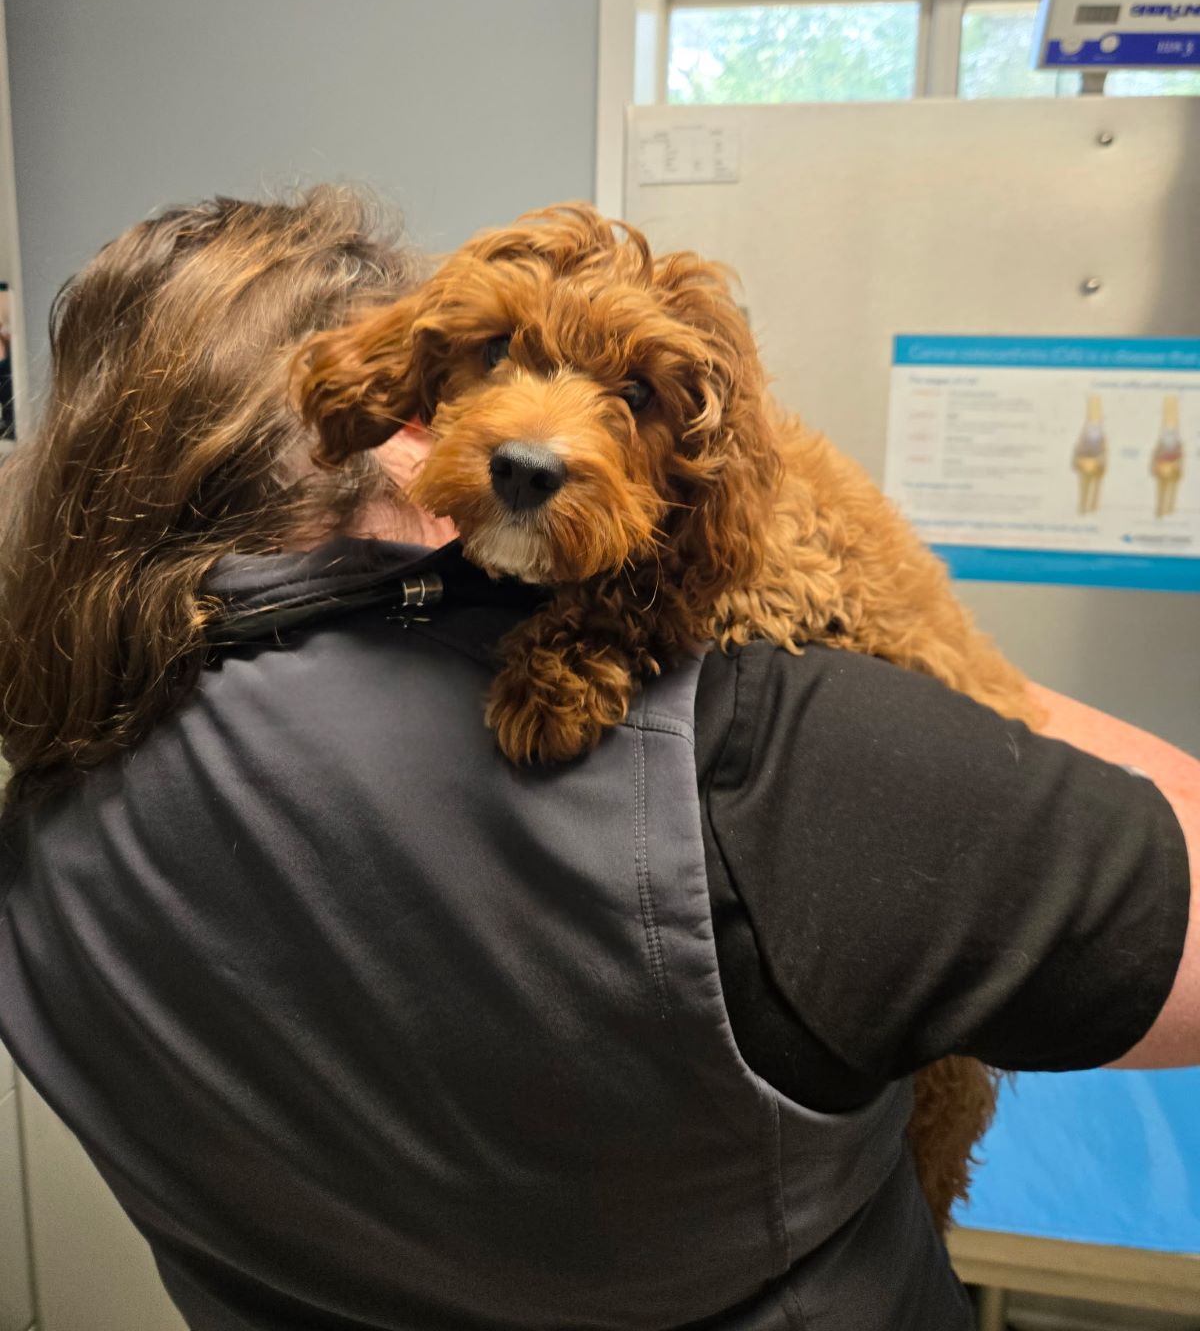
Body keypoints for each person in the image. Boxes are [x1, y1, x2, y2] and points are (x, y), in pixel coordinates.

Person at [0, 188, 1195, 1331]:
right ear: (389, 425)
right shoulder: (746, 758)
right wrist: (1005, 709)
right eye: (484, 365)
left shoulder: (44, 832)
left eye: (629, 395)